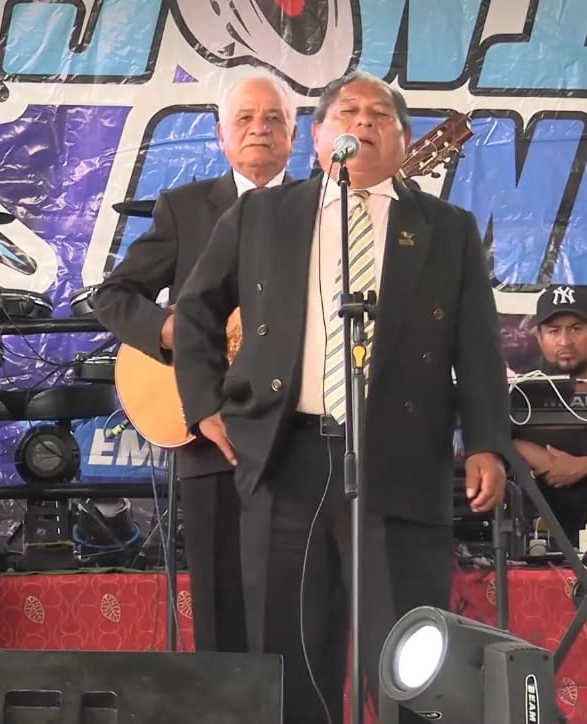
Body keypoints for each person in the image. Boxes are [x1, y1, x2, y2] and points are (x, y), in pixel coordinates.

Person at [172, 71, 511, 723]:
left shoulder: (446, 228)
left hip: (400, 458)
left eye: (380, 115)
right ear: (319, 135)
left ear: (404, 139)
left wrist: (487, 444)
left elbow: (477, 346)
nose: (363, 122)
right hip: (286, 456)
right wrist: (204, 403)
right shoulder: (263, 214)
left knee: (409, 649)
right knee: (289, 649)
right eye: (347, 112)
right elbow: (195, 311)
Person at [93, 70, 297, 654]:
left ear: (294, 134)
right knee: (220, 604)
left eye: (274, 118)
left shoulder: (323, 208)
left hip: (296, 433)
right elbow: (113, 295)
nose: (259, 129)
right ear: (221, 135)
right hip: (208, 431)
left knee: (296, 602)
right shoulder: (185, 209)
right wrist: (167, 329)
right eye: (244, 119)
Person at [513, 285, 587, 538]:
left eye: (576, 329)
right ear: (539, 337)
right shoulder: (519, 394)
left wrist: (581, 466)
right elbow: (487, 435)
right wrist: (527, 450)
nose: (565, 341)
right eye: (554, 331)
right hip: (535, 544)